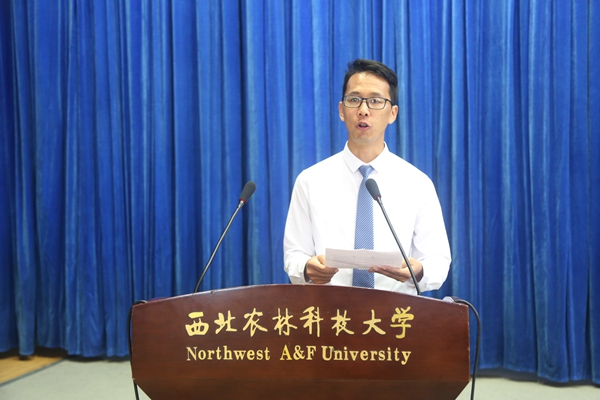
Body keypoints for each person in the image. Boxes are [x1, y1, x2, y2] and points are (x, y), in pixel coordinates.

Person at [283, 58, 451, 294]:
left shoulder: (417, 183)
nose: (363, 110)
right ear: (341, 110)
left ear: (392, 113)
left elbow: (437, 260)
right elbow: (294, 254)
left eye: (375, 101)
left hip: (397, 311)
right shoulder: (310, 181)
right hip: (330, 310)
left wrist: (420, 271)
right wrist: (306, 269)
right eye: (354, 100)